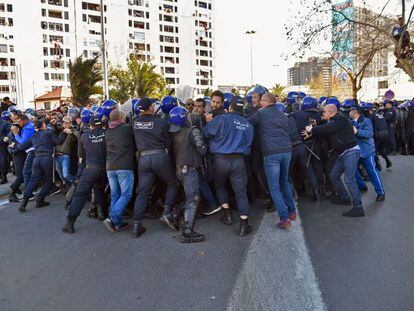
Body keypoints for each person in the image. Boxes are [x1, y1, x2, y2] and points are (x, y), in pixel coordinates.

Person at [203, 95, 254, 236]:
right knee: (241, 192)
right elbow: (249, 144)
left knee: (220, 186)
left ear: (229, 107)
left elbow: (206, 133)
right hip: (239, 161)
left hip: (220, 160)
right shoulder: (248, 124)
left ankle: (227, 214)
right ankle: (244, 224)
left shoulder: (222, 119)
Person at [303, 104, 365, 217]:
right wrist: (311, 135)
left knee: (349, 179)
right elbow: (325, 133)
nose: (322, 114)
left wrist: (312, 129)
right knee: (333, 175)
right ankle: (345, 197)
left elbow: (328, 129)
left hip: (350, 151)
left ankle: (358, 207)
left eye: (324, 112)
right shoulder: (332, 121)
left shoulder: (340, 119)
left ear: (330, 112)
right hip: (342, 153)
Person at [131, 97, 179, 239]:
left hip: (143, 160)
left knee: (143, 191)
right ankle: (167, 213)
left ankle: (136, 225)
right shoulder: (160, 122)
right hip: (159, 157)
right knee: (173, 183)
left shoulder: (135, 123)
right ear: (151, 107)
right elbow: (168, 142)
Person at [248, 93, 296, 229]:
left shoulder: (261, 113)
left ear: (267, 101)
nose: (260, 103)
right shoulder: (282, 114)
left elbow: (247, 122)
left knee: (274, 187)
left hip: (271, 154)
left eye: (262, 101)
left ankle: (284, 218)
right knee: (284, 181)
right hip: (287, 151)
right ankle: (292, 212)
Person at [62, 116, 107, 233]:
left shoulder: (85, 136)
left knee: (80, 194)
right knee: (100, 189)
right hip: (104, 169)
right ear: (101, 125)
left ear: (90, 125)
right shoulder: (106, 134)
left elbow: (81, 155)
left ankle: (70, 222)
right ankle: (102, 213)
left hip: (90, 168)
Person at [169, 106, 207, 243]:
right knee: (194, 198)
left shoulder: (174, 133)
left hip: (180, 169)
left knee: (190, 197)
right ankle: (187, 232)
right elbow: (202, 150)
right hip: (189, 169)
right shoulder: (193, 131)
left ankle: (174, 214)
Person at [18, 120, 67, 212]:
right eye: (44, 124)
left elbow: (22, 146)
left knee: (33, 180)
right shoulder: (48, 133)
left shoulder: (33, 136)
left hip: (36, 159)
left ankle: (23, 204)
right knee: (49, 181)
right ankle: (40, 199)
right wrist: (64, 133)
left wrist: (15, 144)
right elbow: (58, 141)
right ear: (42, 126)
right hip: (47, 158)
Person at [103, 110, 135, 233]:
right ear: (121, 118)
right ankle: (112, 218)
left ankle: (118, 223)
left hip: (110, 167)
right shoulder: (127, 128)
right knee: (126, 194)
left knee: (115, 194)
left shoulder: (108, 131)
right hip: (124, 166)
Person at [349, 107, 385, 201]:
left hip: (367, 151)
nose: (348, 113)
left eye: (350, 111)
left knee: (372, 172)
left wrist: (357, 131)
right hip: (356, 151)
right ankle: (362, 186)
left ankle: (380, 192)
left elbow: (369, 134)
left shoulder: (366, 121)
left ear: (355, 112)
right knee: (352, 170)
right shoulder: (351, 121)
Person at [54, 116, 77, 190]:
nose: (65, 124)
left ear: (70, 123)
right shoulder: (61, 130)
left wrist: (71, 134)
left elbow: (76, 138)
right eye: (64, 123)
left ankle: (77, 185)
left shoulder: (73, 130)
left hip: (65, 155)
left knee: (66, 175)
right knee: (62, 177)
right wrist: (54, 125)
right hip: (57, 155)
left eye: (67, 123)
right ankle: (71, 189)